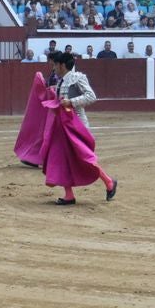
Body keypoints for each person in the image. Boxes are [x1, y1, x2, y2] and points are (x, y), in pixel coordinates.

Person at [45, 52, 117, 205]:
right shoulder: (61, 81)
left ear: (62, 65)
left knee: (85, 157)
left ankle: (109, 182)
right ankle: (69, 195)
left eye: (55, 65)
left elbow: (91, 96)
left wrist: (71, 101)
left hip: (77, 125)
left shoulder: (78, 78)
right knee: (64, 159)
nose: (54, 68)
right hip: (63, 125)